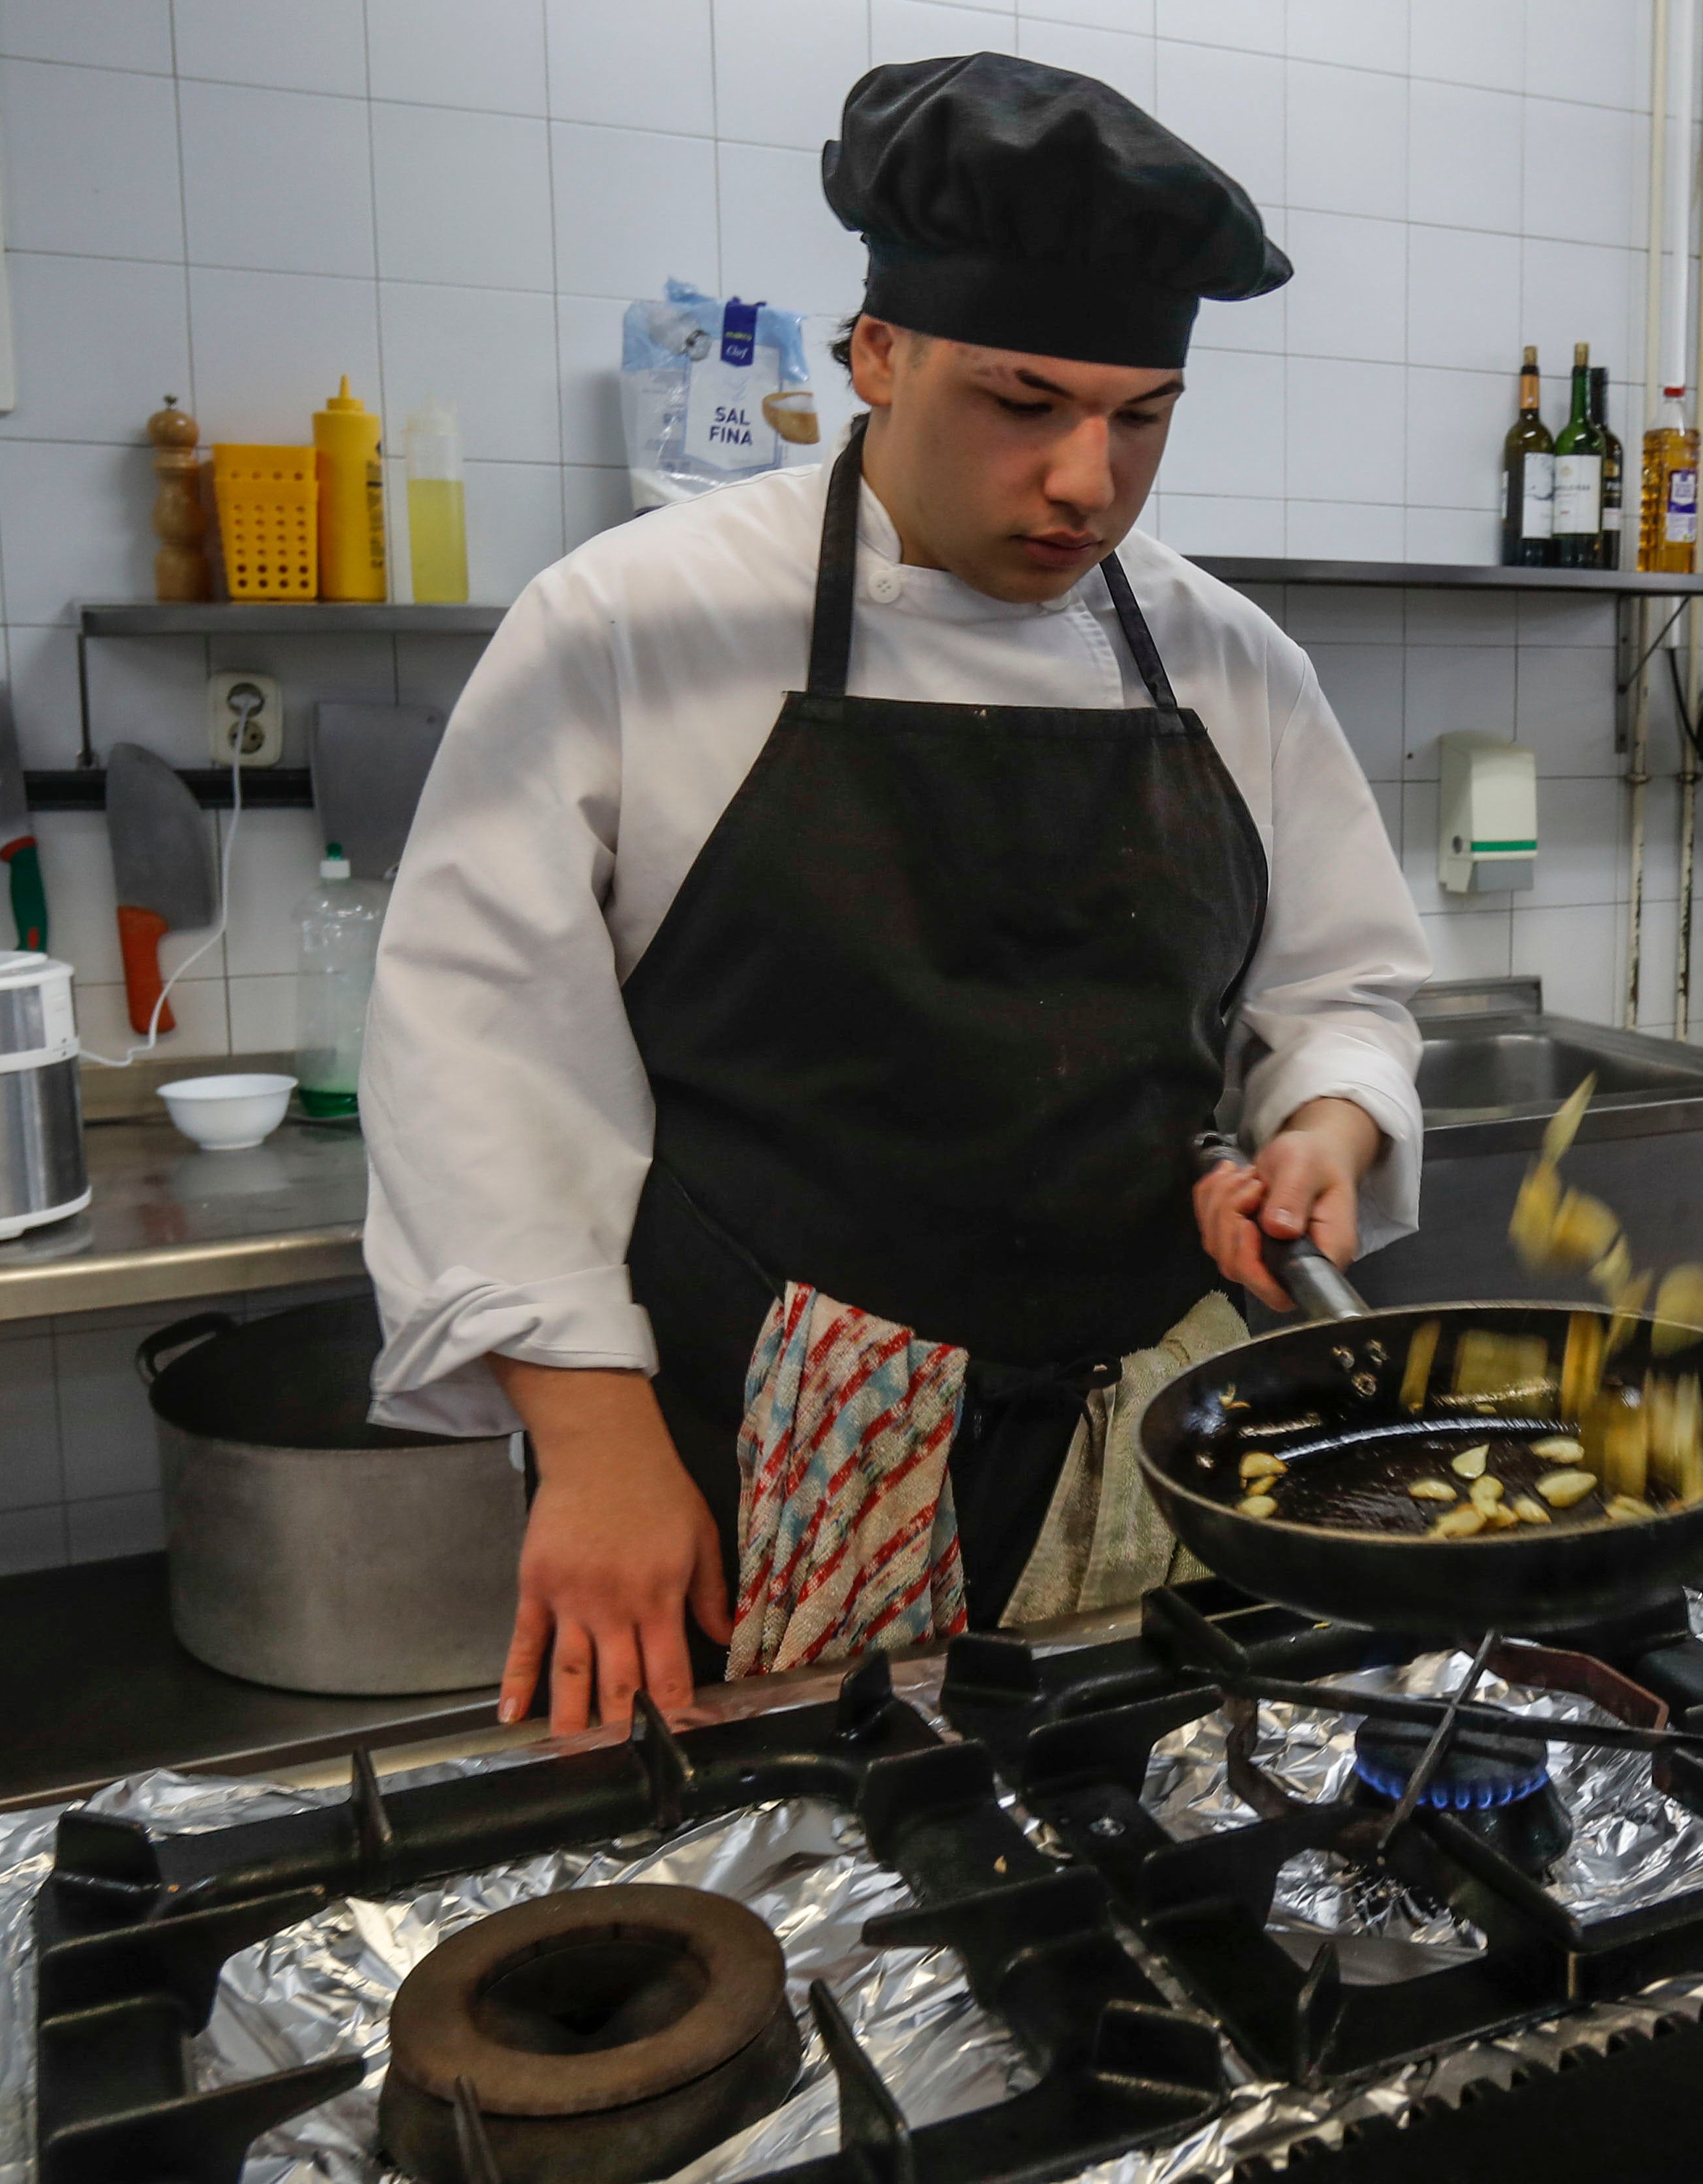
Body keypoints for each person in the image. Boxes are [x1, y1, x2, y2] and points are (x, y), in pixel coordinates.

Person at [360, 53, 1429, 1734]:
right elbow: (478, 1053)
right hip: (757, 1452)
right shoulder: (637, 625)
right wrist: (590, 1444)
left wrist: (1324, 1129)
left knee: (1149, 1871)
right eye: (1025, 404)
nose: (1088, 481)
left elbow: (1342, 991)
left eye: (1140, 419)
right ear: (876, 353)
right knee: (787, 1915)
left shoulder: (1229, 659)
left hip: (1145, 1440)